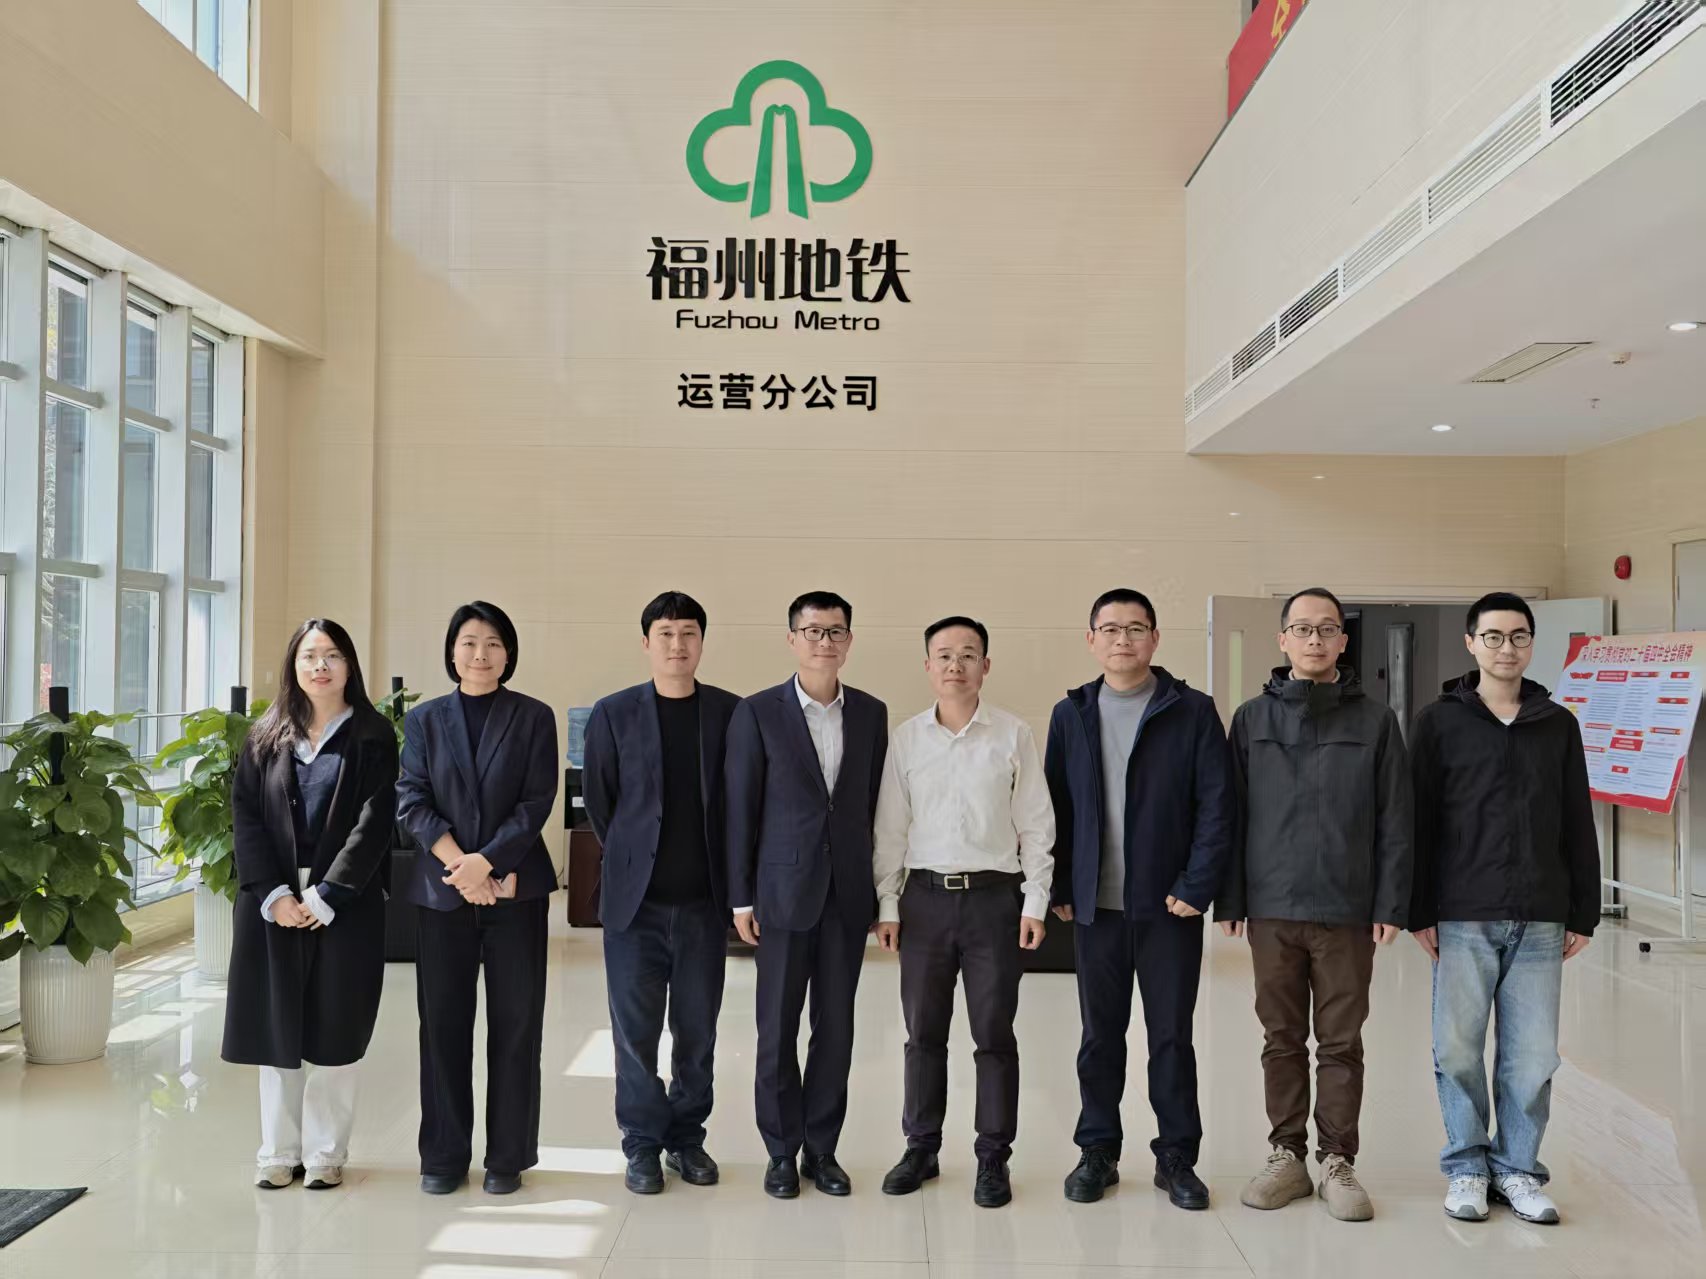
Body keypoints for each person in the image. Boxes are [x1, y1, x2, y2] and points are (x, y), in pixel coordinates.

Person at [1215, 587, 1412, 1222]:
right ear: (1282, 639)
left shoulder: (1375, 721)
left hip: (1347, 908)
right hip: (1272, 906)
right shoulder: (1251, 719)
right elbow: (1231, 813)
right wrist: (1231, 897)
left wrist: (1390, 902)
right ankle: (1286, 1156)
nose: (1315, 640)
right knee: (1280, 1037)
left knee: (1341, 1040)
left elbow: (1396, 818)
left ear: (1343, 641)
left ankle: (1337, 1161)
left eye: (1327, 629)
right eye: (1302, 628)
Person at [1410, 592, 1599, 1226]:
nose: (1506, 648)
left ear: (1531, 644)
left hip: (1541, 912)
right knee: (1457, 1049)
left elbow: (1577, 818)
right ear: (1471, 644)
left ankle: (1517, 1169)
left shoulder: (1557, 724)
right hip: (1462, 910)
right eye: (1492, 636)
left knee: (1533, 1056)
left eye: (1518, 636)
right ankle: (1467, 1166)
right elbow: (1419, 821)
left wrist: (1583, 911)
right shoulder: (1438, 722)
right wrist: (1418, 909)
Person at [1044, 589, 1233, 1210]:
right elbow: (1054, 807)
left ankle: (1176, 1156)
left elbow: (1216, 804)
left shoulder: (1192, 710)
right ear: (1091, 639)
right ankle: (1097, 1150)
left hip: (1168, 908)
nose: (1122, 639)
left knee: (1171, 1037)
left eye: (1135, 628)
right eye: (1110, 629)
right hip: (1095, 908)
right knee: (1099, 1036)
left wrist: (1196, 884)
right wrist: (1062, 886)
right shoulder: (1070, 714)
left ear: (1154, 638)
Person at [872, 617, 1054, 1209]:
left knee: (993, 1034)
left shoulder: (1013, 734)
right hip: (923, 902)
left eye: (968, 655)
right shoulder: (907, 739)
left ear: (986, 666)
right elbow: (890, 829)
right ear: (928, 666)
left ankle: (992, 1157)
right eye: (945, 655)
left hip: (993, 902)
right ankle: (921, 1147)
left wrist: (1034, 900)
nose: (956, 665)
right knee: (922, 1033)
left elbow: (1036, 824)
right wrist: (888, 904)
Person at [223, 619, 398, 1191]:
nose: (320, 666)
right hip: (273, 900)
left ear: (349, 665)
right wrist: (273, 895)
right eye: (309, 656)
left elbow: (375, 822)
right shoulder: (266, 734)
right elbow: (246, 815)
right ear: (293, 666)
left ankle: (325, 1152)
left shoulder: (372, 735)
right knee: (278, 1029)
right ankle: (277, 1151)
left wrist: (328, 895)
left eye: (332, 655)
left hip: (344, 899)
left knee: (335, 1027)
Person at [726, 591, 888, 1198]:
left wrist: (882, 897)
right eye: (813, 631)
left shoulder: (871, 713)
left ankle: (822, 1149)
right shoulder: (757, 712)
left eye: (836, 631)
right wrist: (741, 899)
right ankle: (779, 1151)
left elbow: (874, 807)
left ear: (850, 641)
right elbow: (740, 810)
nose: (825, 642)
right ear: (792, 639)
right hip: (781, 894)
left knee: (836, 1029)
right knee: (776, 1028)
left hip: (847, 896)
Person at [397, 601, 559, 1196]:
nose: (480, 654)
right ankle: (443, 1156)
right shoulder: (425, 720)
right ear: (452, 651)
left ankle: (506, 1158)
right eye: (468, 642)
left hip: (515, 892)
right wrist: (461, 868)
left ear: (508, 653)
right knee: (442, 1025)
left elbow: (536, 802)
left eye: (492, 643)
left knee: (517, 1024)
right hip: (443, 895)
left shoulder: (534, 716)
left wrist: (485, 864)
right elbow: (412, 799)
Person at [584, 591, 741, 1196]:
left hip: (703, 906)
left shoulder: (729, 712)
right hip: (635, 908)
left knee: (698, 1031)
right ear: (647, 642)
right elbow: (602, 804)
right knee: (635, 1034)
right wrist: (633, 860)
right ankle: (642, 1143)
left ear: (702, 642)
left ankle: (687, 1139)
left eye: (689, 633)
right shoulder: (614, 713)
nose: (678, 645)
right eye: (666, 634)